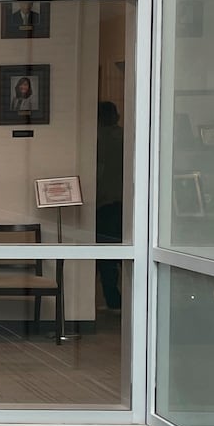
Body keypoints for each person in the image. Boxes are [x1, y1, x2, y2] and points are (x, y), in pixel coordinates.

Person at [95, 101, 125, 310]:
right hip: (128, 203)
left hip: (104, 203)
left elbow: (99, 171)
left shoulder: (96, 138)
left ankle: (113, 300)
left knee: (106, 258)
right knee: (126, 254)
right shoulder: (127, 136)